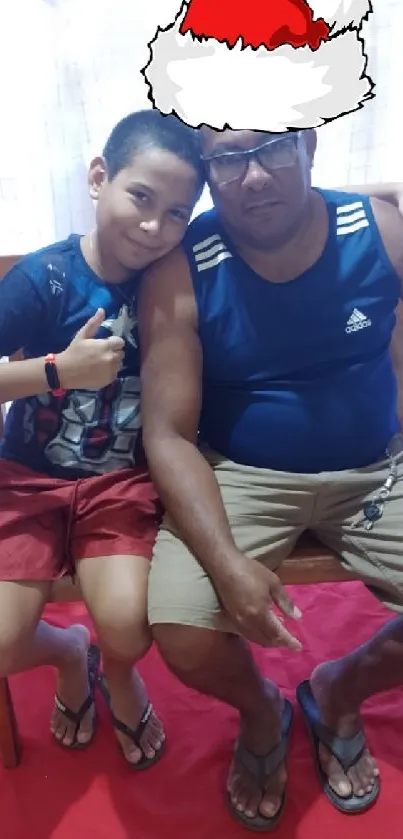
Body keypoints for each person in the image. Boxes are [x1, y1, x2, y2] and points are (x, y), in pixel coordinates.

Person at [139, 125, 403, 829]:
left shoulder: (376, 228)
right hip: (240, 471)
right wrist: (225, 564)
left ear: (310, 146)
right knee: (181, 628)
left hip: (377, 467)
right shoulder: (183, 264)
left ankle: (339, 688)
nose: (252, 176)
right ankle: (262, 712)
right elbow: (165, 431)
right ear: (205, 170)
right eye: (226, 158)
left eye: (273, 148)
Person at [0, 109, 204, 766]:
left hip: (121, 481)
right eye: (141, 197)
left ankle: (115, 670)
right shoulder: (45, 277)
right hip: (28, 479)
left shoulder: (175, 279)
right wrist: (56, 370)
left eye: (177, 212)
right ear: (99, 177)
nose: (154, 226)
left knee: (126, 622)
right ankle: (67, 655)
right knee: (2, 640)